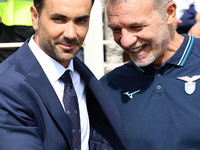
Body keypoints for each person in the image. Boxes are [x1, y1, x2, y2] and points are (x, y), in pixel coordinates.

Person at [0, 0, 124, 149]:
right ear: (35, 17)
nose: (71, 34)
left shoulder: (85, 78)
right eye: (59, 19)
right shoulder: (7, 88)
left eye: (81, 20)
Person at [100, 0, 200, 149]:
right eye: (115, 29)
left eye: (136, 27)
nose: (126, 41)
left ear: (169, 13)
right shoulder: (109, 88)